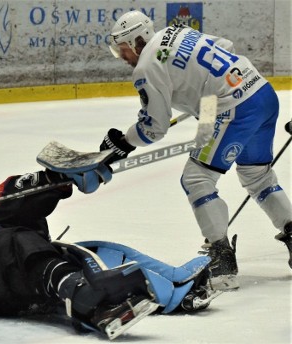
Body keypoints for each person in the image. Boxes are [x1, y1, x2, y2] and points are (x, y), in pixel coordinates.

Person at [100, 10, 292, 290]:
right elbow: (225, 47)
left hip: (235, 109)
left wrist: (124, 142)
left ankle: (222, 259)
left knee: (196, 178)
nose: (123, 57)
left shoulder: (146, 67)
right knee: (257, 176)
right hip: (261, 92)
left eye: (123, 50)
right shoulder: (176, 32)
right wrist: (208, 106)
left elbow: (154, 127)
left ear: (136, 41)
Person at [0, 165, 219, 340]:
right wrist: (60, 178)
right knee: (38, 254)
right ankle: (92, 300)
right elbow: (23, 189)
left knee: (88, 254)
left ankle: (172, 289)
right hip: (3, 256)